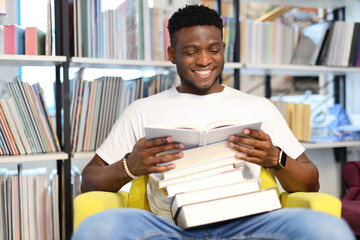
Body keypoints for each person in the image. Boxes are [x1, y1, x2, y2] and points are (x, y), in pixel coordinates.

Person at [73, 5, 354, 240]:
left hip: (249, 224)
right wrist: (129, 167)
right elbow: (89, 181)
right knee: (98, 227)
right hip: (170, 228)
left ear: (223, 50)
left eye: (213, 49)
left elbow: (311, 183)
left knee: (328, 228)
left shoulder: (258, 108)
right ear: (173, 55)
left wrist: (275, 157)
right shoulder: (142, 110)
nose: (205, 60)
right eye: (191, 51)